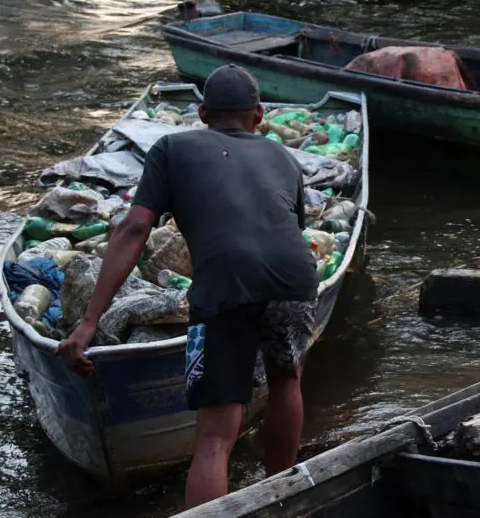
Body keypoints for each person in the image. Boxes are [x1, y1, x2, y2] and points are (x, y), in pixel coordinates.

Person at [56, 65, 319, 508]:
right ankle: (281, 502)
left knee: (216, 435)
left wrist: (89, 320)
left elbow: (134, 229)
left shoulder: (171, 148)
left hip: (224, 286)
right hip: (296, 278)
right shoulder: (283, 157)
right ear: (258, 114)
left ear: (201, 113)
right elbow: (288, 229)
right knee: (286, 382)